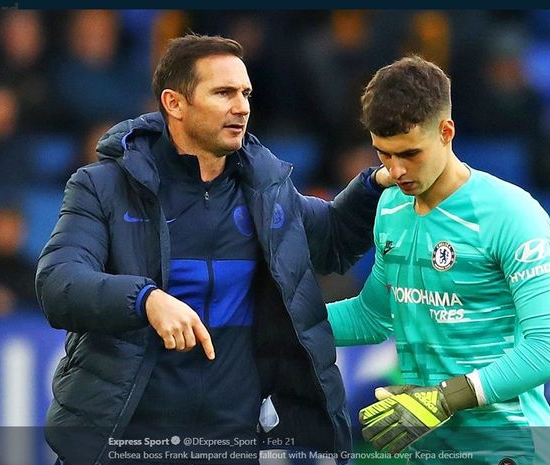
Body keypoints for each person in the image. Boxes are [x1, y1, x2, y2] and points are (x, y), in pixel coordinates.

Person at [35, 34, 393, 465]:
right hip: (124, 441)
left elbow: (333, 241)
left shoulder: (266, 191)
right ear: (174, 103)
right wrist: (145, 300)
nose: (241, 106)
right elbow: (59, 282)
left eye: (245, 93)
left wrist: (375, 184)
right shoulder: (103, 187)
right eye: (223, 92)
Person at [327, 56, 550, 465]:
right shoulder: (391, 206)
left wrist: (445, 400)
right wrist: (278, 320)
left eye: (409, 153)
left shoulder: (510, 213)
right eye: (383, 155)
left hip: (509, 447)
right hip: (427, 450)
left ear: (446, 132)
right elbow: (372, 317)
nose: (397, 170)